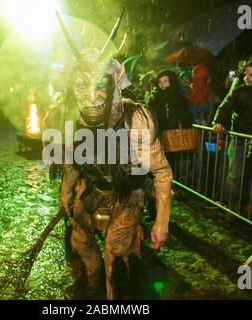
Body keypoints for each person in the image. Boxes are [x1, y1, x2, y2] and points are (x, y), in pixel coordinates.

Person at [55, 12, 172, 300]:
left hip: (127, 192)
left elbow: (162, 172)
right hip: (95, 189)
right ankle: (92, 283)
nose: (92, 97)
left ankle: (113, 295)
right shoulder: (73, 119)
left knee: (115, 249)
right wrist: (66, 192)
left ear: (112, 88)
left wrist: (161, 222)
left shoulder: (136, 120)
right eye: (83, 86)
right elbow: (73, 162)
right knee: (80, 241)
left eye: (100, 87)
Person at [213, 60, 252, 216]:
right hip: (239, 138)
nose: (247, 77)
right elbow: (224, 107)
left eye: (251, 74)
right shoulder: (239, 91)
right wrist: (218, 122)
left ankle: (249, 205)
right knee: (235, 174)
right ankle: (232, 206)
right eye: (246, 74)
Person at [148, 69, 193, 170]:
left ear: (171, 82)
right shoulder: (153, 98)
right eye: (160, 81)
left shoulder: (180, 99)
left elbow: (188, 118)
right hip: (155, 139)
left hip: (172, 140)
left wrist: (176, 123)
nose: (162, 84)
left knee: (169, 167)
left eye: (165, 81)